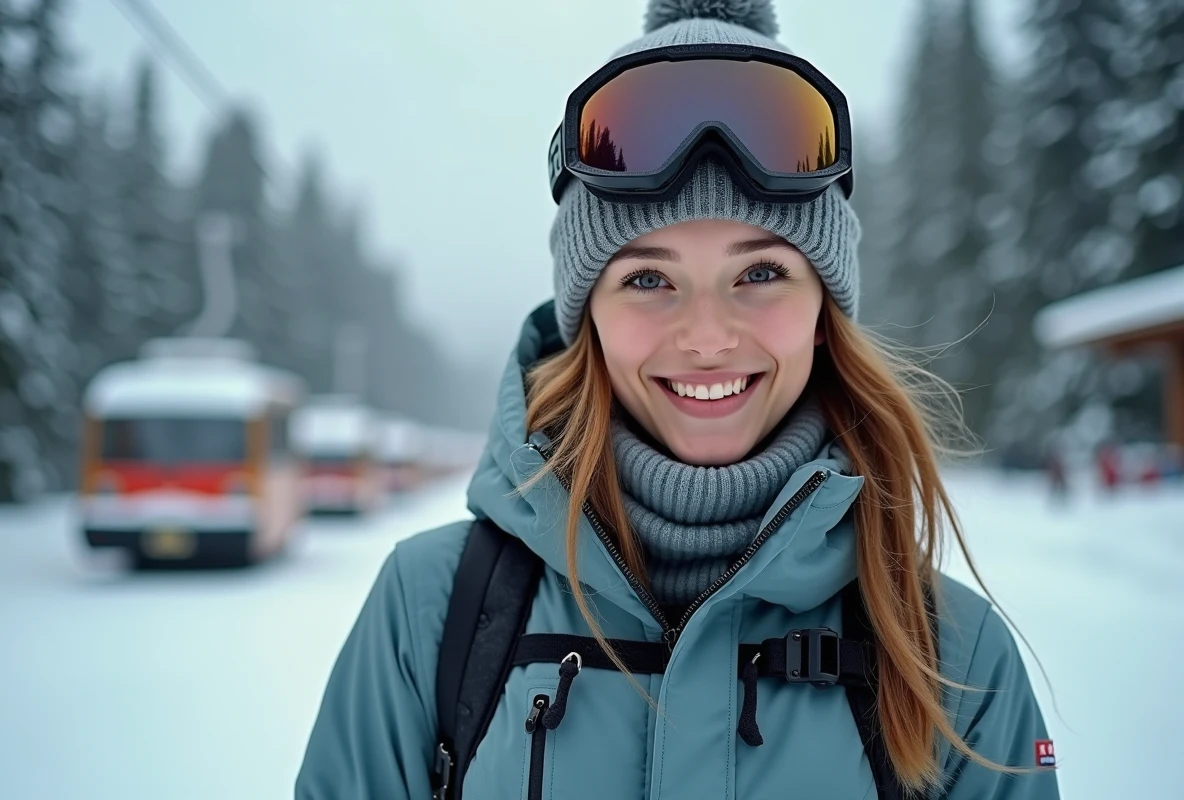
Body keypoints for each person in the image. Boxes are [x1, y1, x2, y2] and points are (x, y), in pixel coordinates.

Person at [296, 1, 1060, 797]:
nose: (705, 337)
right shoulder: (432, 614)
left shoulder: (953, 659)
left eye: (760, 273)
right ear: (586, 316)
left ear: (825, 316)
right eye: (648, 279)